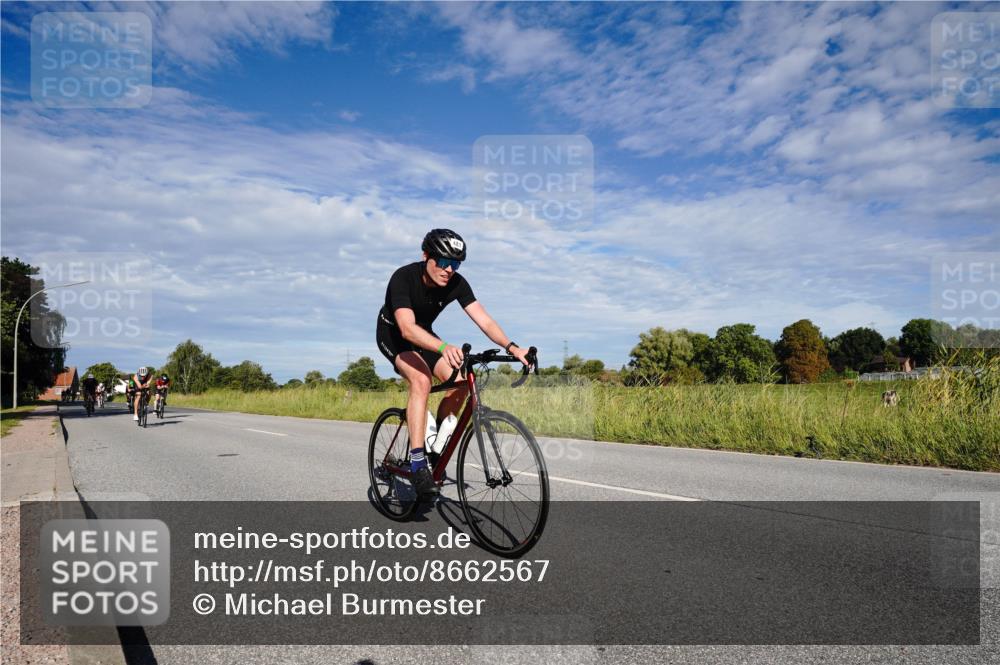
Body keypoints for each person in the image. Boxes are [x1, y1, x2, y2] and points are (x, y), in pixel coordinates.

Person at [376, 229, 532, 499]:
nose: (449, 269)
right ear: (426, 256)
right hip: (396, 335)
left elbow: (484, 320)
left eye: (456, 264)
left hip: (425, 334)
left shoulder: (457, 283)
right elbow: (407, 329)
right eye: (444, 262)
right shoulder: (403, 277)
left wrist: (512, 347)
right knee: (421, 380)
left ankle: (435, 447)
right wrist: (443, 346)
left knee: (461, 380)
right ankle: (416, 461)